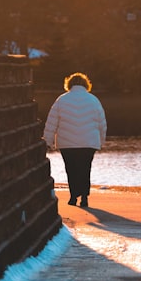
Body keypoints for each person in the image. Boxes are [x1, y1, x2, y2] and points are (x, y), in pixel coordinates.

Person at [43, 72, 107, 208]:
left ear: (69, 84)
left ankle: (73, 196)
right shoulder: (94, 100)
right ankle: (84, 197)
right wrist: (101, 140)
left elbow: (51, 122)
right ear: (86, 85)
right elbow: (102, 123)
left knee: (71, 169)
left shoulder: (61, 100)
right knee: (85, 168)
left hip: (67, 143)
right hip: (89, 143)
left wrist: (47, 141)